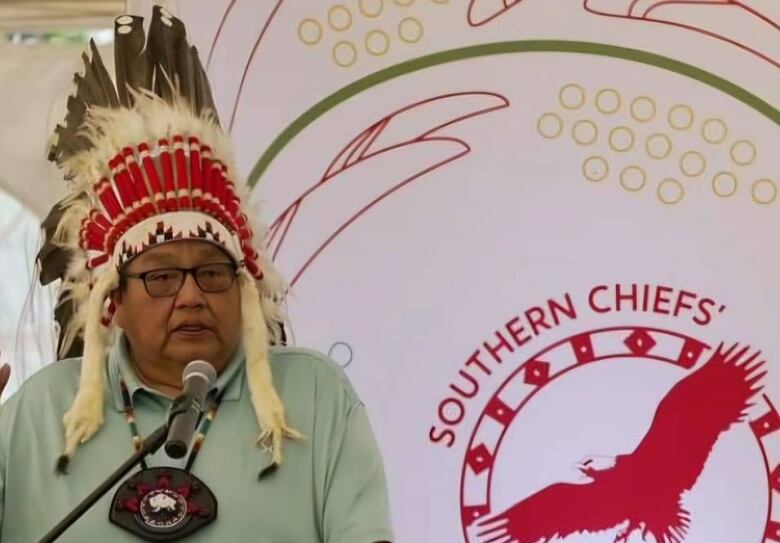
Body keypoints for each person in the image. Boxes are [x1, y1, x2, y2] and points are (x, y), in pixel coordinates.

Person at [0, 6, 393, 542]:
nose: (190, 295)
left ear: (243, 287)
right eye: (161, 277)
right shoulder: (40, 413)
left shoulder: (313, 397)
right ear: (114, 299)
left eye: (212, 272)